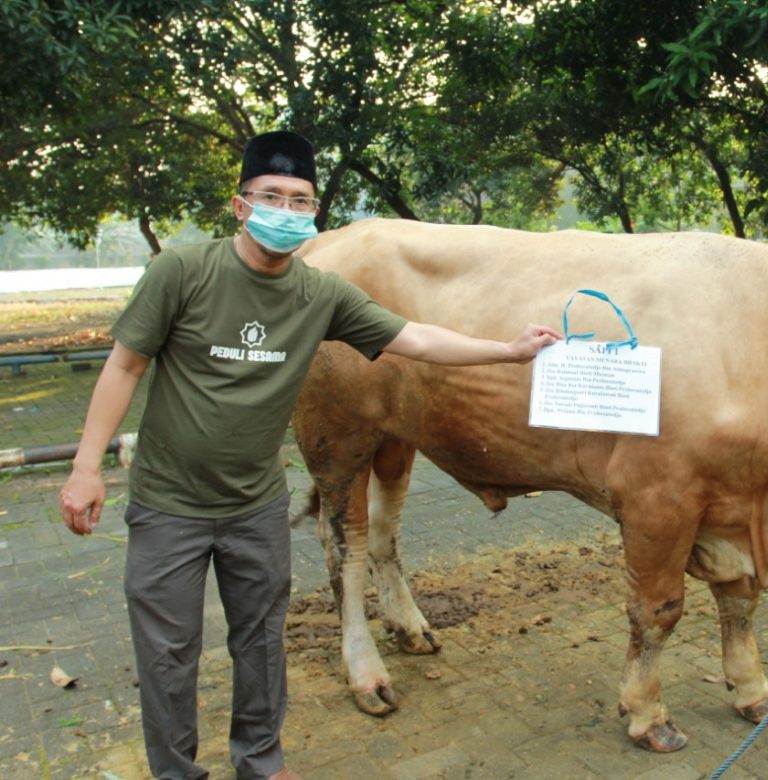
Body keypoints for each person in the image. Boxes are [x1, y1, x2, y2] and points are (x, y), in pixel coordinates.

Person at [58, 130, 562, 780]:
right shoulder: (181, 272)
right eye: (271, 197)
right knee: (167, 655)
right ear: (240, 206)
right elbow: (125, 367)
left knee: (263, 645)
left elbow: (416, 337)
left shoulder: (319, 294)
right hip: (168, 507)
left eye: (300, 201)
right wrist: (84, 466)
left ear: (313, 212)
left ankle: (262, 762)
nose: (286, 211)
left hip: (254, 508)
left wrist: (508, 349)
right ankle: (175, 772)